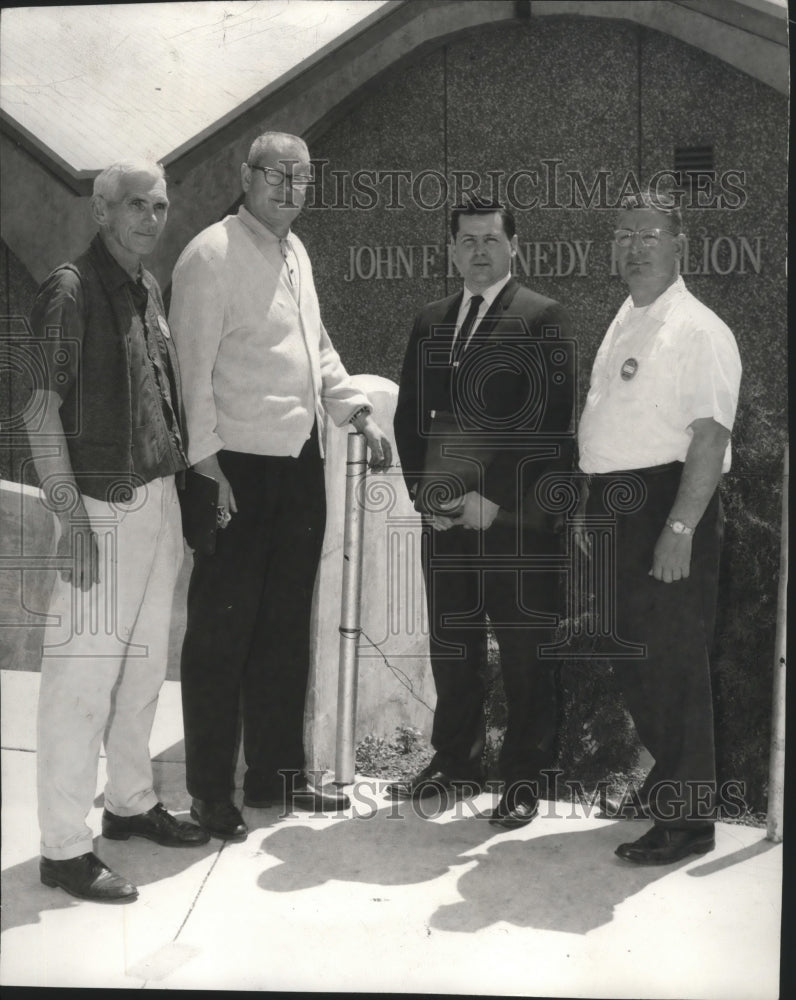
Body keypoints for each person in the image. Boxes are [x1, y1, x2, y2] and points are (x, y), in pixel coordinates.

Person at [169, 131, 392, 842]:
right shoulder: (209, 254)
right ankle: (210, 793)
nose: (289, 188)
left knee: (282, 631)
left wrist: (355, 409)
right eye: (277, 174)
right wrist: (207, 471)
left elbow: (316, 349)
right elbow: (189, 373)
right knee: (221, 637)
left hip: (298, 465)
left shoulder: (296, 252)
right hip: (234, 467)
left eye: (302, 177)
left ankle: (274, 778)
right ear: (246, 175)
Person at [25, 160, 209, 905]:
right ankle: (63, 849)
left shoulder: (146, 285)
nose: (150, 217)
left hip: (156, 502)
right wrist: (69, 517)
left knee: (138, 675)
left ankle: (129, 803)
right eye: (135, 204)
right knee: (80, 683)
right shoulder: (67, 290)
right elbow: (40, 411)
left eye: (160, 206)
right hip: (98, 510)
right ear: (101, 210)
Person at [391, 198, 575, 828]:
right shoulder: (430, 320)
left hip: (514, 526)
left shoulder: (542, 318)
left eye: (491, 239)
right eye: (466, 240)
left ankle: (524, 778)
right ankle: (456, 762)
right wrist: (428, 496)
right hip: (444, 525)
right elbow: (411, 418)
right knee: (454, 646)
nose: (478, 251)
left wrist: (488, 502)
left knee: (525, 656)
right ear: (451, 250)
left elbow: (549, 430)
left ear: (514, 246)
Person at [577, 189, 742, 864]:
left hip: (666, 506)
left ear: (680, 245)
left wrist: (679, 528)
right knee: (639, 661)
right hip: (620, 506)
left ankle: (686, 822)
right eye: (623, 234)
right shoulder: (628, 316)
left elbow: (709, 437)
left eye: (648, 235)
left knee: (671, 665)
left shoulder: (697, 329)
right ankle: (675, 797)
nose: (633, 246)